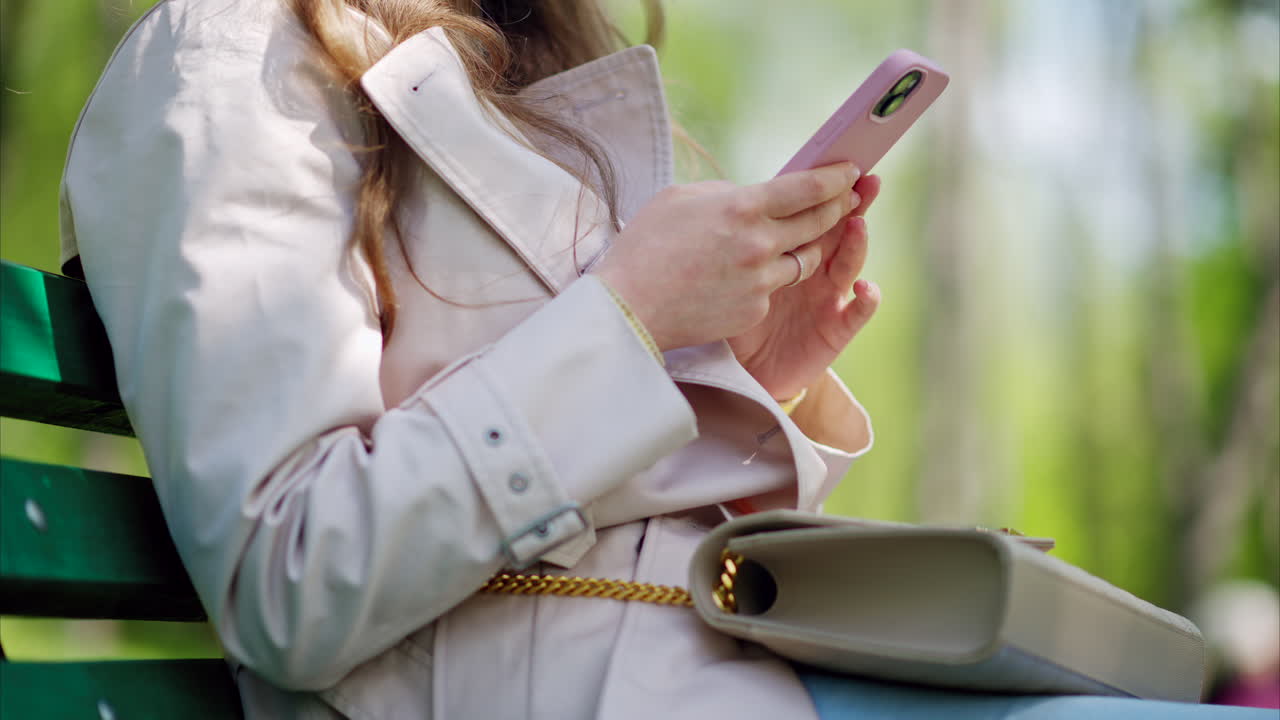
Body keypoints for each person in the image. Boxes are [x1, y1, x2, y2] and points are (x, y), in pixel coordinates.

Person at [59, 1, 1271, 718]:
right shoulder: (227, 62)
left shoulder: (519, 71)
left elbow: (601, 512)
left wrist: (747, 376)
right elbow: (295, 576)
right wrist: (629, 317)